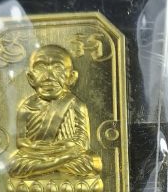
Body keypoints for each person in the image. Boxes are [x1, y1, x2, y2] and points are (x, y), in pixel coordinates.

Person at [9, 44, 102, 178]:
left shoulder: (75, 104)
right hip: (37, 154)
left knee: (93, 163)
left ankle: (46, 167)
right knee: (14, 164)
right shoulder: (26, 107)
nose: (49, 76)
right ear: (31, 78)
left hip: (66, 152)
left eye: (58, 68)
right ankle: (55, 165)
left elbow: (83, 139)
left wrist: (68, 146)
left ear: (71, 77)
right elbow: (21, 141)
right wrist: (37, 148)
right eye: (41, 68)